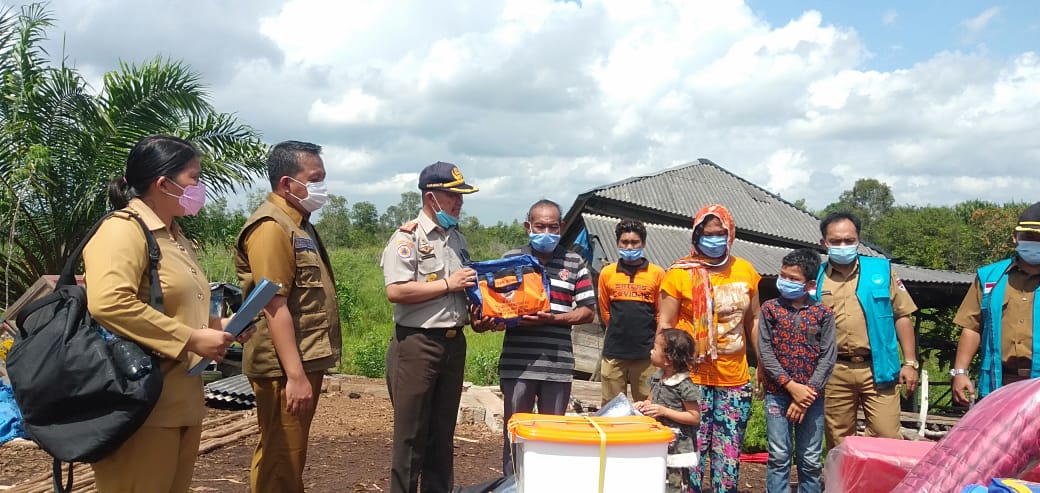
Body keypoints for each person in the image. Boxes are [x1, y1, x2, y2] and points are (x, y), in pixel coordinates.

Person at [84, 135, 238, 492]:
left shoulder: (175, 237)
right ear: (163, 183)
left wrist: (221, 327)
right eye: (194, 178)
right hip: (141, 405)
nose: (200, 188)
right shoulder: (122, 230)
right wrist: (191, 338)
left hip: (181, 403)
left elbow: (176, 308)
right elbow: (109, 302)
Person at [235, 141, 342, 493]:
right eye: (315, 178)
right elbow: (273, 304)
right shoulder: (271, 227)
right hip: (284, 367)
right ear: (286, 183)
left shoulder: (299, 224)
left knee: (286, 455)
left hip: (302, 358)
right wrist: (295, 376)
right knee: (282, 459)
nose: (322, 187)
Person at [380, 161, 479, 493]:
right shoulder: (407, 238)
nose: (459, 203)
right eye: (453, 197)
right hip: (417, 345)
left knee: (442, 435)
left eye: (461, 198)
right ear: (431, 196)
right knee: (410, 437)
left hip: (453, 344)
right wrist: (449, 284)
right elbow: (397, 290)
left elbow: (463, 290)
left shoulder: (457, 239)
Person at [658, 203, 761, 493]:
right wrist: (664, 372)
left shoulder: (745, 271)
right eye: (707, 233)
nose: (714, 239)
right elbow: (665, 325)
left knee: (728, 457)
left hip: (734, 378)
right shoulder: (679, 273)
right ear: (696, 235)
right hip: (691, 380)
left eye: (720, 233)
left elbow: (753, 321)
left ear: (731, 234)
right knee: (690, 455)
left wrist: (763, 362)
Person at [499, 199, 596, 475]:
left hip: (558, 366)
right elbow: (496, 304)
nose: (546, 232)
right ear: (527, 226)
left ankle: (548, 483)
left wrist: (553, 319)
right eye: (540, 226)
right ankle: (512, 485)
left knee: (553, 436)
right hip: (518, 365)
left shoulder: (575, 262)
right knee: (515, 435)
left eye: (553, 226)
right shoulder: (510, 260)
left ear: (562, 227)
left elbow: (588, 312)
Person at [812, 212, 918, 449]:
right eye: (836, 241)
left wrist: (910, 362)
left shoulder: (881, 270)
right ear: (824, 243)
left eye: (849, 240)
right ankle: (842, 485)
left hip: (878, 368)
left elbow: (902, 315)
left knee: (888, 436)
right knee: (839, 440)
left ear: (858, 239)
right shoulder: (815, 278)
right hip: (833, 370)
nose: (843, 246)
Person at [758, 249, 836, 493]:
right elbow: (766, 352)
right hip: (777, 394)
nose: (786, 282)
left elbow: (828, 356)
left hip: (812, 398)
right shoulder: (770, 309)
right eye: (783, 276)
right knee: (779, 456)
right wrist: (791, 386)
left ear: (810, 284)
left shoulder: (823, 313)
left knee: (811, 459)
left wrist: (806, 395)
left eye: (793, 279)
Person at [951, 202, 1040, 405]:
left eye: (1039, 238)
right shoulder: (990, 277)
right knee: (997, 437)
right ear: (1015, 237)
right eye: (1029, 237)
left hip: (1038, 384)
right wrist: (960, 372)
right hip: (998, 383)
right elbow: (972, 327)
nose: (1034, 243)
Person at [597, 218, 665, 405]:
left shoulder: (657, 274)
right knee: (611, 407)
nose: (629, 246)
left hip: (646, 355)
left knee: (647, 406)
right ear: (617, 243)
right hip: (614, 352)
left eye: (634, 242)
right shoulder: (607, 273)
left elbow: (660, 314)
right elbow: (605, 311)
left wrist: (657, 347)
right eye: (624, 242)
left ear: (643, 243)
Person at [635, 328, 702, 493]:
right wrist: (643, 405)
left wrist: (664, 411)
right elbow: (651, 400)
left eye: (655, 349)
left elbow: (694, 417)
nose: (651, 351)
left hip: (677, 448)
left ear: (669, 359)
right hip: (657, 442)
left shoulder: (684, 384)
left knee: (673, 486)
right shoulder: (658, 377)